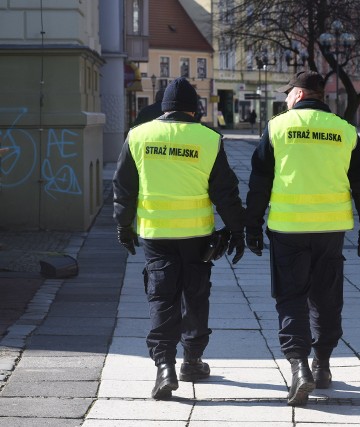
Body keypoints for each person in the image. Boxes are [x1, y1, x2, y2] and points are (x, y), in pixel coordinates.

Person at [244, 70, 360, 407]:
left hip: (288, 229)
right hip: (331, 230)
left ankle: (299, 366)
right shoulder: (345, 131)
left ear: (300, 94)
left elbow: (259, 182)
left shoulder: (278, 127)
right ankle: (322, 362)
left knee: (291, 297)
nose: (285, 98)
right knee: (326, 296)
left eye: (288, 93)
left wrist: (251, 225)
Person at [112, 77, 246, 400]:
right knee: (195, 296)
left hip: (156, 235)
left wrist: (123, 226)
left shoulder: (138, 136)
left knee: (161, 297)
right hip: (196, 236)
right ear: (194, 110)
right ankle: (193, 360)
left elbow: (124, 188)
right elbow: (225, 193)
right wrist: (238, 230)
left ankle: (164, 367)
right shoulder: (208, 140)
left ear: (164, 108)